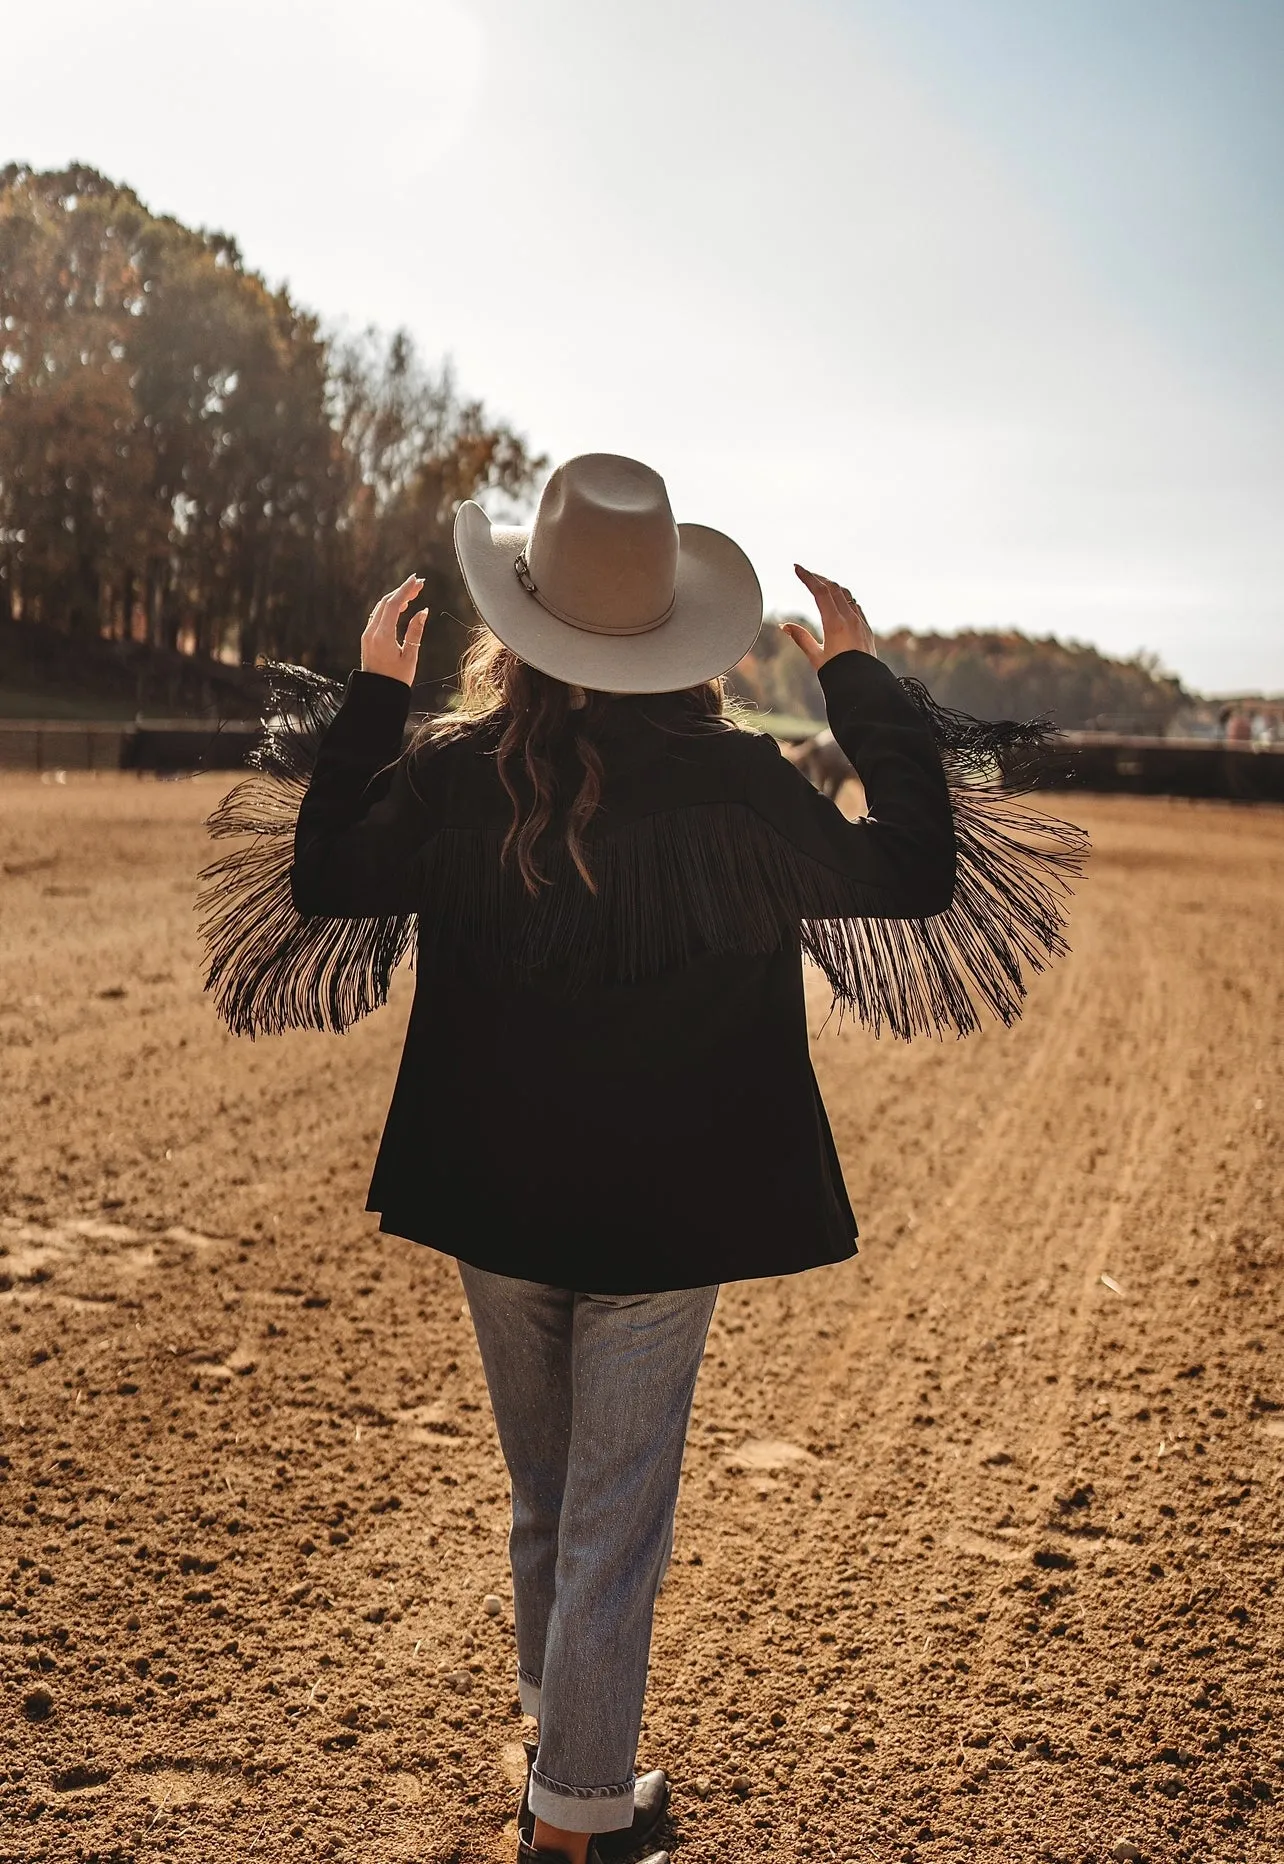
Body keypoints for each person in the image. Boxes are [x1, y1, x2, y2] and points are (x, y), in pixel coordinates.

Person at [202, 453, 1082, 1864]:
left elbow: (320, 877)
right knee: (614, 1512)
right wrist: (861, 679)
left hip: (493, 1199)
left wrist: (374, 690)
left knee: (551, 1496)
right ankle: (579, 1815)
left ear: (522, 627)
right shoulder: (744, 787)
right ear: (677, 631)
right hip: (671, 1219)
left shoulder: (452, 780)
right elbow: (915, 869)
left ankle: (566, 1751)